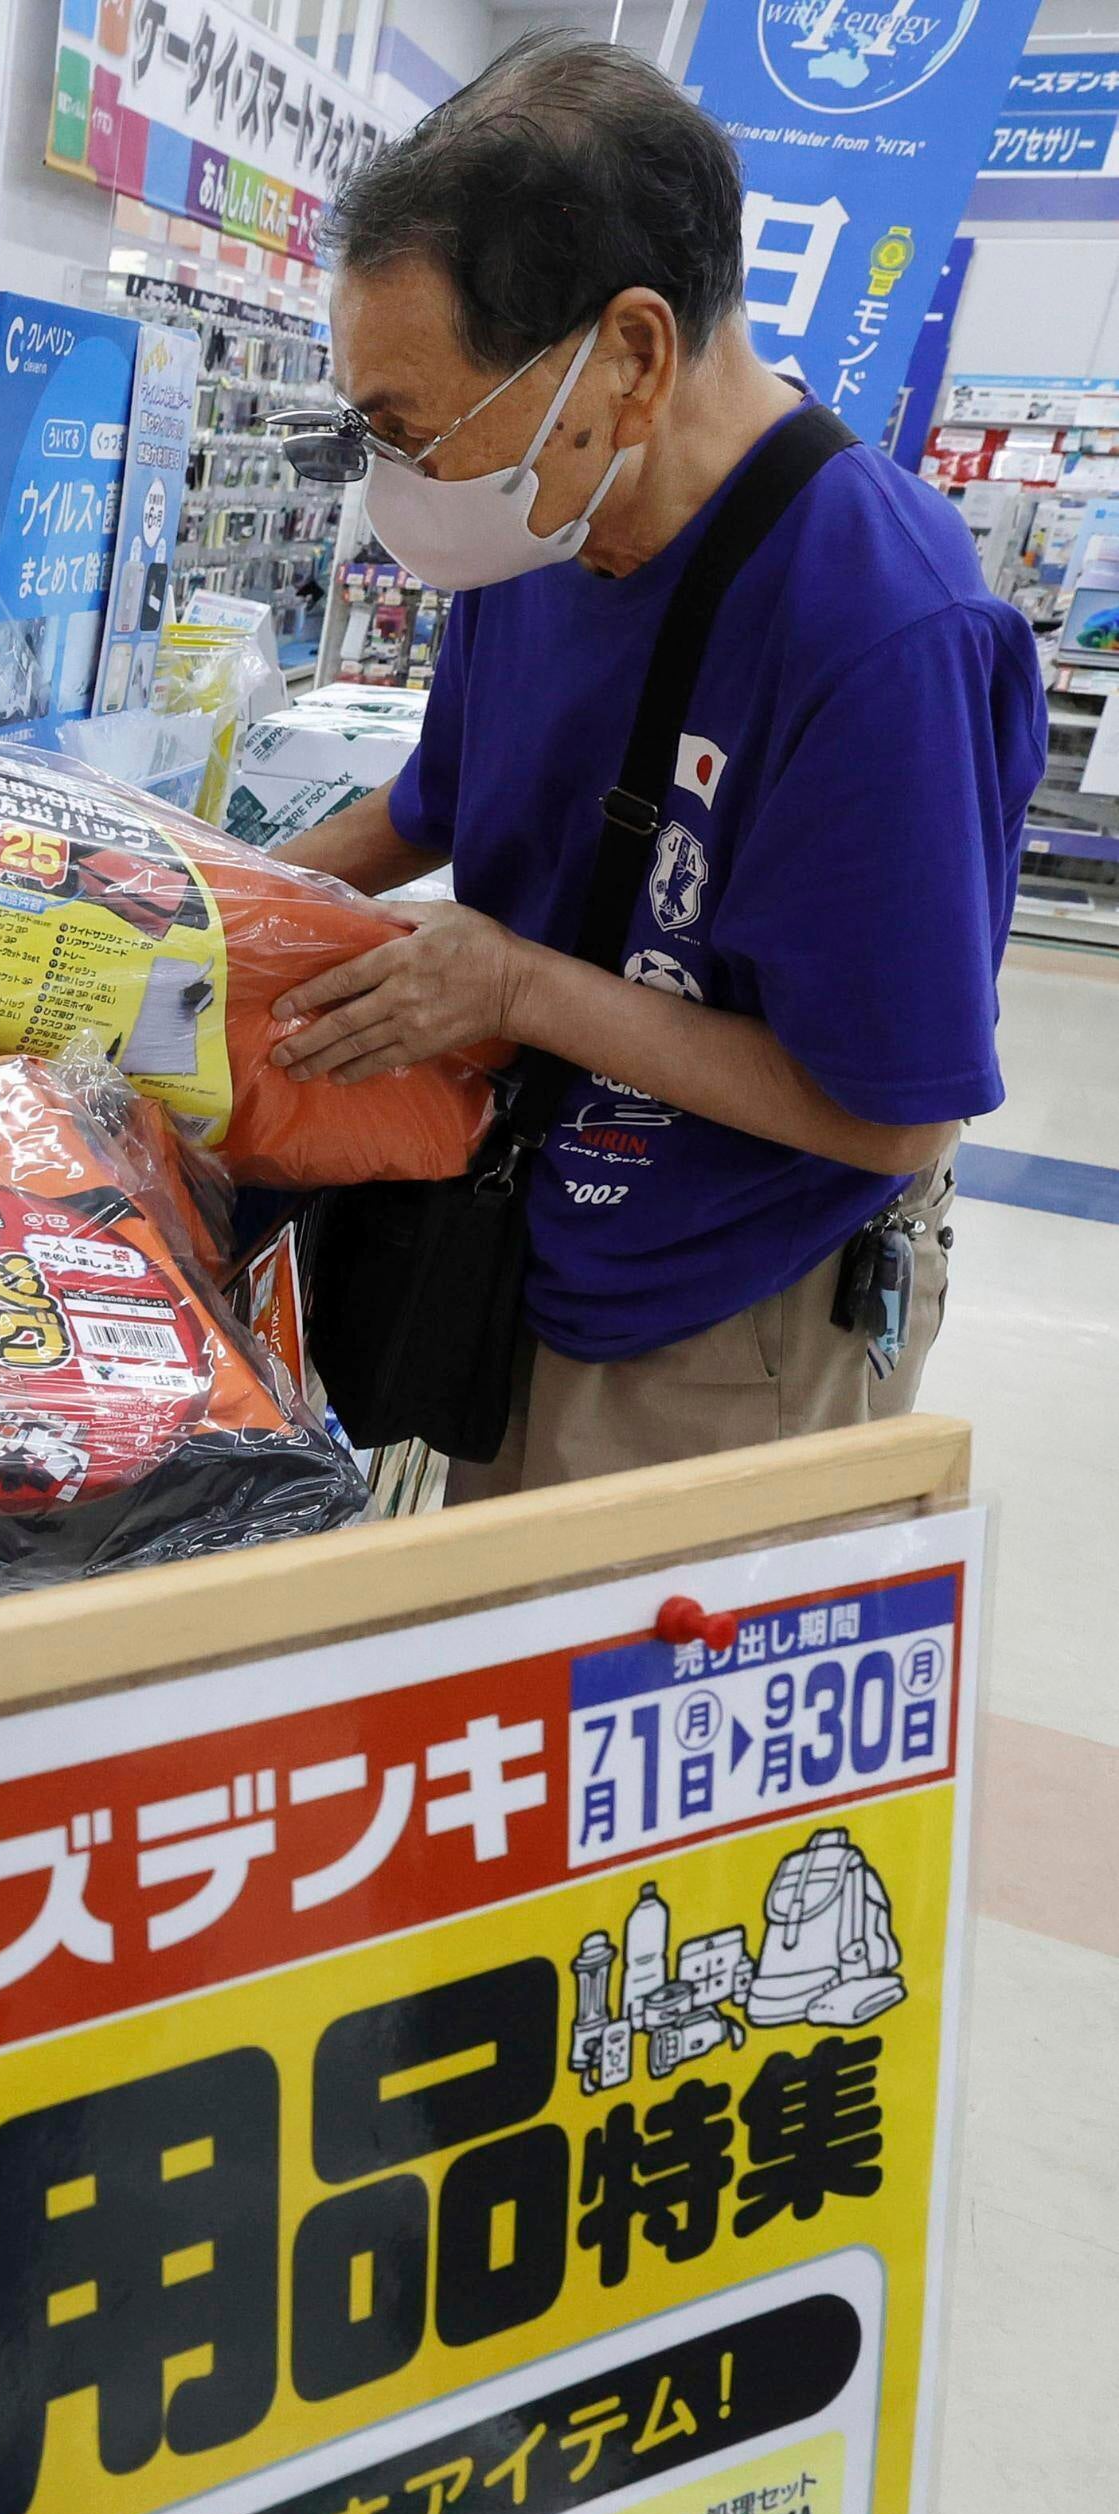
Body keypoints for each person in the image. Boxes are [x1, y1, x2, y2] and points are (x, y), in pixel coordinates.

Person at [267, 35, 1041, 1498]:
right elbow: (434, 805)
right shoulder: (535, 512)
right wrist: (166, 902)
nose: (405, 486)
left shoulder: (881, 625)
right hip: (518, 1241)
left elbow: (893, 1106)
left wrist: (511, 984)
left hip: (729, 1313)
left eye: (415, 431)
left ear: (629, 354)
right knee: (479, 1684)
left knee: (631, 1701)